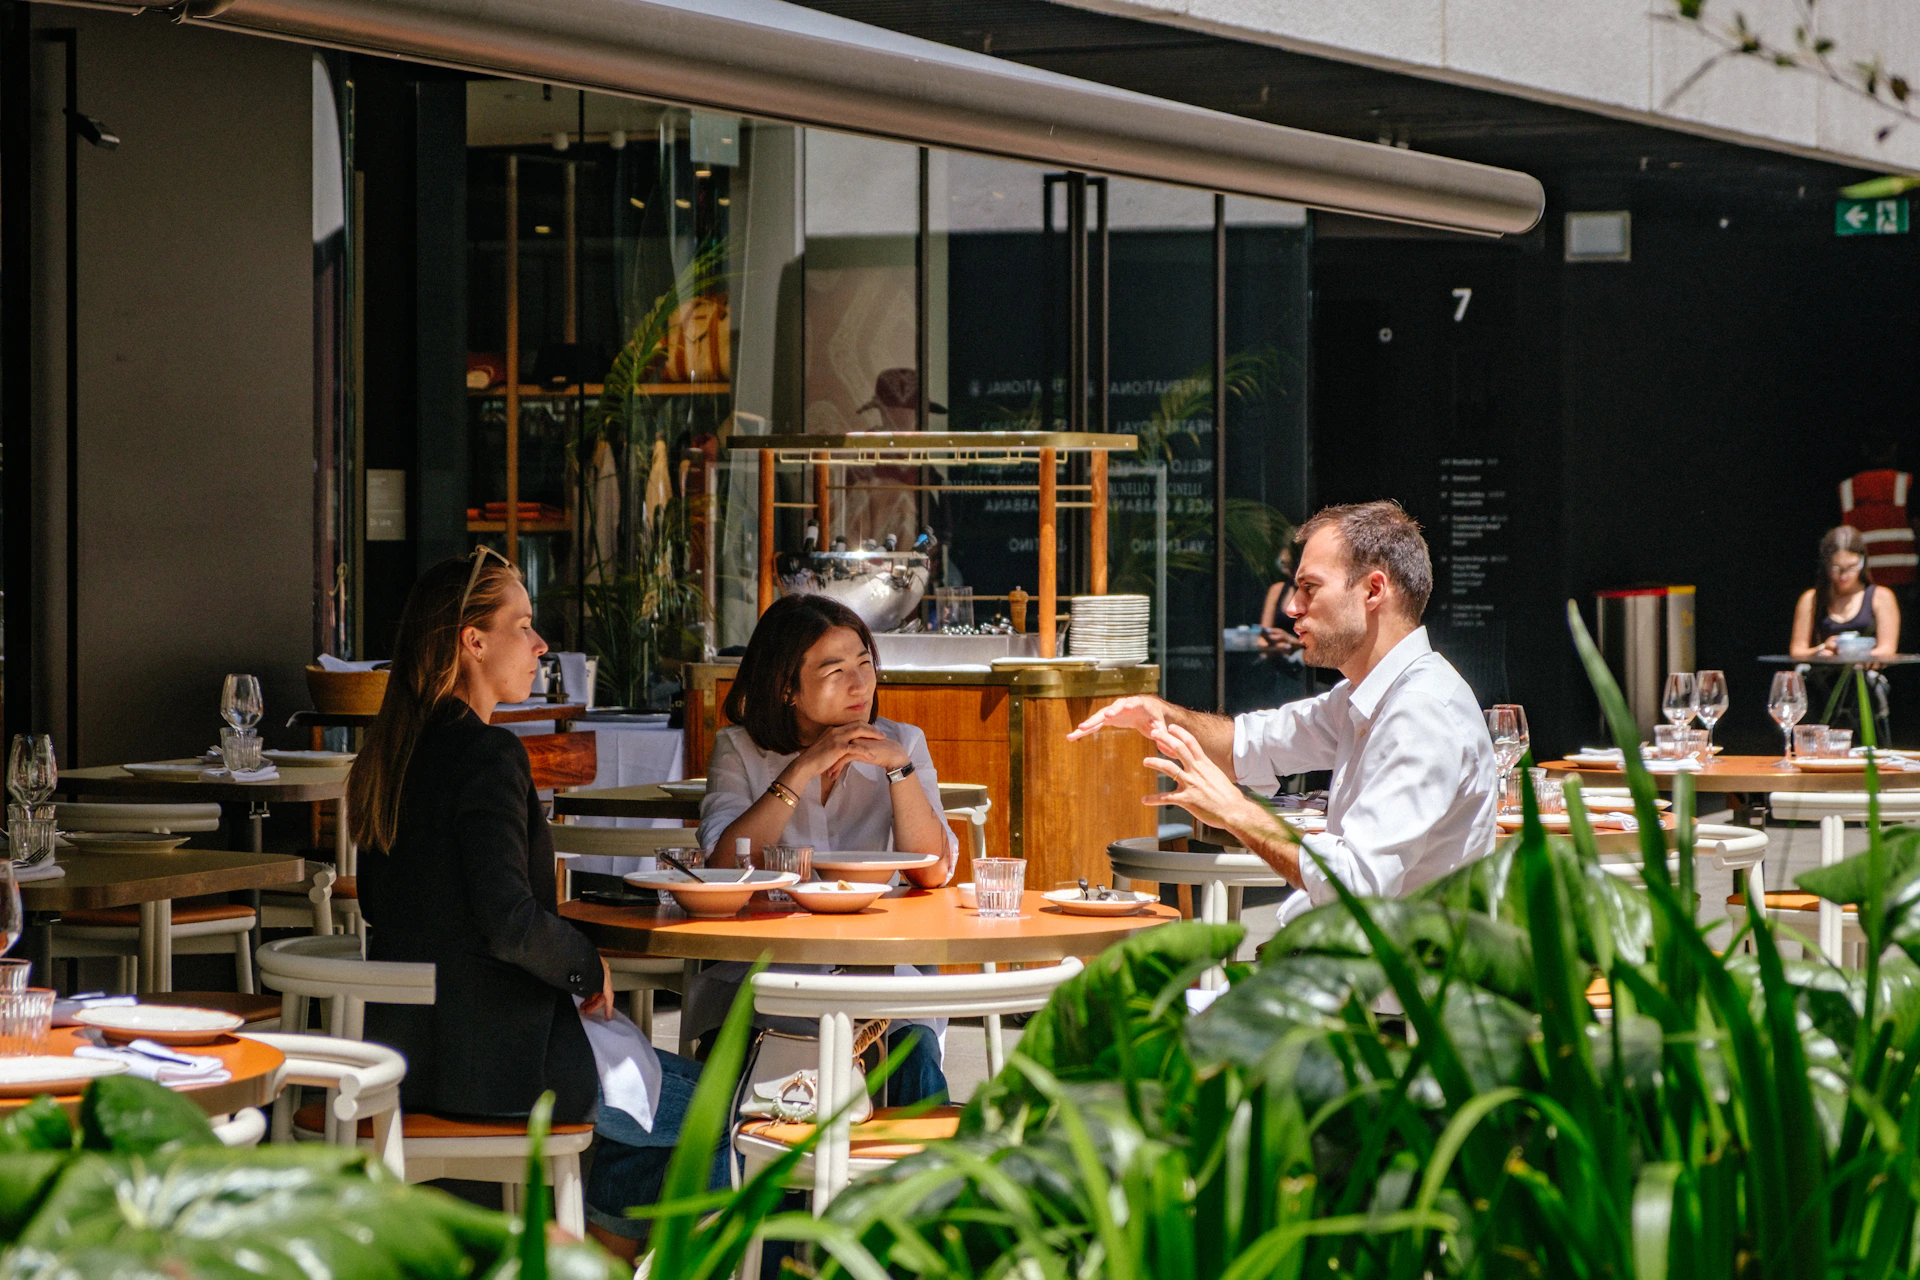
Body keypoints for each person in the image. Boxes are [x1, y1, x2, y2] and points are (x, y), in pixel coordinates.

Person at [349, 546, 710, 1261]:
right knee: (722, 1100)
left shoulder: (396, 753)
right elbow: (510, 920)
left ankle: (599, 1249)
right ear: (471, 641)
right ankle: (610, 1254)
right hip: (501, 1069)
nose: (541, 644)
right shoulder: (487, 755)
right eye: (524, 624)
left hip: (409, 1059)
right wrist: (585, 965)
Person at [1069, 500, 1497, 918]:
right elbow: (1255, 743)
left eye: (1309, 587)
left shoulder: (1421, 712)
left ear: (1373, 590)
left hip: (1404, 984)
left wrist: (1237, 813)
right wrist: (1163, 714)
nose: (1292, 606)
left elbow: (1353, 883)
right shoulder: (1367, 695)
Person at [694, 592, 959, 1101]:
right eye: (835, 670)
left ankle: (928, 1178)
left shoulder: (902, 741)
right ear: (786, 687)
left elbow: (933, 871)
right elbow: (723, 867)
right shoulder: (742, 748)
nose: (859, 684)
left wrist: (899, 770)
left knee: (915, 1060)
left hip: (882, 976)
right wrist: (803, 768)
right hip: (768, 977)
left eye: (864, 663)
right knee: (755, 1082)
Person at [1790, 524, 1900, 735]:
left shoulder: (1880, 597)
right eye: (1836, 568)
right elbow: (1797, 651)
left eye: (1851, 567)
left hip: (1864, 679)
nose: (1843, 576)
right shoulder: (1812, 599)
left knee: (1863, 689)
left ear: (1863, 562)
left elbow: (1888, 650)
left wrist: (1855, 654)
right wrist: (1822, 649)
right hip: (1820, 680)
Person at [1840, 430, 1916, 591]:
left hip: (1863, 583)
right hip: (1903, 581)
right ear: (1893, 448)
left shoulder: (1847, 489)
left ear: (1865, 450)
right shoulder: (1906, 483)